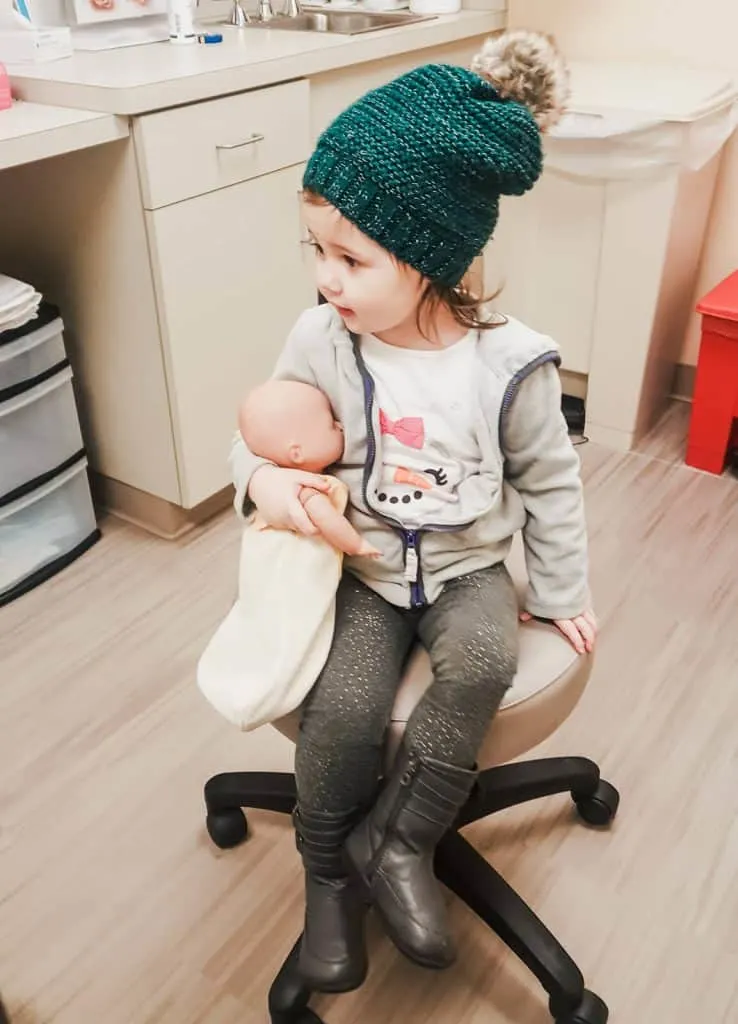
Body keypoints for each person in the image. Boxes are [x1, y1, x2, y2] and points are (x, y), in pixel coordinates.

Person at [229, 29, 597, 995]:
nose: (325, 277)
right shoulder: (321, 337)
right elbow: (262, 434)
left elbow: (551, 481)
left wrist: (559, 589)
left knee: (483, 657)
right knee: (343, 707)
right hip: (361, 571)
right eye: (316, 249)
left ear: (432, 255)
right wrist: (265, 484)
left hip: (470, 565)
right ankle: (325, 873)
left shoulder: (510, 362)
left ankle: (398, 844)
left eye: (350, 257)